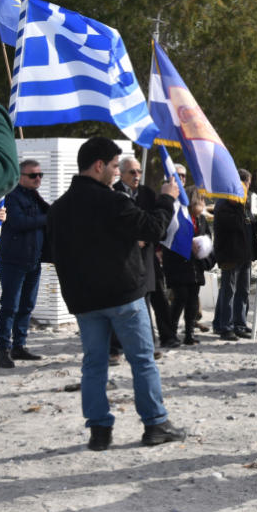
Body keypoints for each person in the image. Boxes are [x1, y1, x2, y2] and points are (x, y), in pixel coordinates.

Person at [47, 137, 186, 451]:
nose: (115, 172)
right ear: (99, 166)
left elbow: (53, 254)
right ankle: (155, 423)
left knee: (94, 364)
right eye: (113, 166)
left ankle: (99, 431)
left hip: (85, 300)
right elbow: (154, 229)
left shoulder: (59, 209)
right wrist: (166, 200)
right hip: (123, 295)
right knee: (142, 361)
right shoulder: (112, 201)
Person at [0, 159, 50, 368]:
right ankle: (3, 349)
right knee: (10, 306)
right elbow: (18, 223)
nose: (38, 179)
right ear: (19, 177)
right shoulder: (11, 196)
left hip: (33, 260)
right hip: (13, 260)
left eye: (40, 175)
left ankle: (20, 345)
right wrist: (48, 218)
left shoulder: (35, 196)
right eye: (33, 175)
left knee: (27, 305)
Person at [115, 156, 172, 348]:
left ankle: (165, 336)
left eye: (139, 171)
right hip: (125, 257)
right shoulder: (114, 193)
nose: (137, 175)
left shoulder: (147, 194)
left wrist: (148, 239)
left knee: (156, 296)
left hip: (147, 255)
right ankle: (137, 342)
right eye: (132, 172)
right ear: (121, 173)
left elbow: (157, 222)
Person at [163, 188, 215, 345]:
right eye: (201, 200)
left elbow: (207, 236)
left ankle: (189, 333)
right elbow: (172, 239)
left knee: (192, 300)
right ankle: (170, 333)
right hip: (179, 265)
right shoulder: (180, 217)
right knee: (180, 298)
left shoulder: (201, 219)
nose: (204, 204)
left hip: (195, 266)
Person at [213, 168, 257, 341]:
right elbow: (234, 224)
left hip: (244, 253)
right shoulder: (225, 204)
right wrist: (239, 203)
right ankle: (226, 326)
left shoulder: (243, 204)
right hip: (230, 253)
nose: (248, 188)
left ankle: (240, 323)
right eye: (246, 184)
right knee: (228, 291)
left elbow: (248, 225)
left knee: (243, 291)